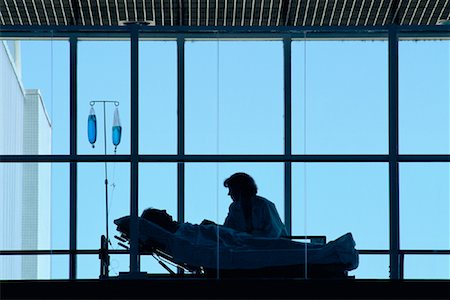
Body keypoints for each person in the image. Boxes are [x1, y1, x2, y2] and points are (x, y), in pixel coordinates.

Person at [221, 172, 288, 238]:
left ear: (241, 190)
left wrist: (248, 236)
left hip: (272, 246)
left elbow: (273, 233)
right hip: (250, 245)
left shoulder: (264, 205)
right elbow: (227, 230)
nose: (229, 194)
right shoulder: (234, 207)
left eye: (231, 190)